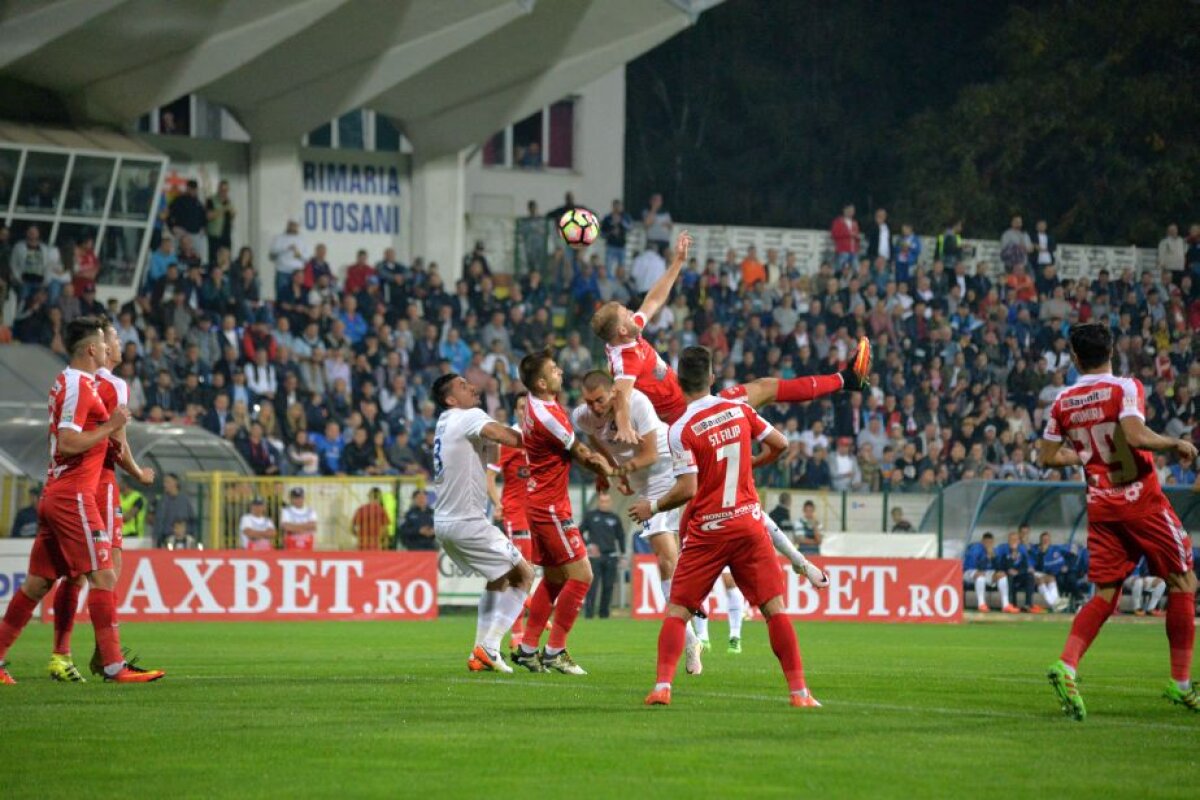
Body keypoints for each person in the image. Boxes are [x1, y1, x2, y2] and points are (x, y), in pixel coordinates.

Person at [632, 346, 821, 708]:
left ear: (677, 382)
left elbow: (687, 489)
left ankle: (662, 687)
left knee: (677, 611)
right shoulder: (739, 408)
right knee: (774, 609)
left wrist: (651, 506)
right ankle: (800, 693)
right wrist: (754, 465)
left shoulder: (680, 428)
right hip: (748, 525)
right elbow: (780, 444)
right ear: (713, 378)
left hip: (708, 530)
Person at [1040, 322, 1198, 719]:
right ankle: (1180, 685)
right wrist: (1174, 442)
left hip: (1101, 506)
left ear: (1075, 358)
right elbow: (1135, 434)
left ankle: (1067, 664)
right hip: (1140, 500)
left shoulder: (1062, 401)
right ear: (1111, 350)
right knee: (1184, 581)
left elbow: (1047, 456)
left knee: (1105, 595)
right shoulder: (1124, 387)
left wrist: (1084, 456)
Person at [0, 316, 163, 684]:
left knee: (39, 583)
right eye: (105, 344)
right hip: (73, 495)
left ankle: (35, 656)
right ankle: (112, 665)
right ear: (91, 349)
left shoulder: (69, 382)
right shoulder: (80, 386)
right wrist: (110, 427)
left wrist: (112, 440)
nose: (109, 348)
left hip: (56, 493)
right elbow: (69, 440)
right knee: (104, 575)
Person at [591, 230, 870, 442]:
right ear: (622, 330)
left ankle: (847, 379)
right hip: (690, 415)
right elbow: (621, 392)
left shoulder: (628, 335)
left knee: (765, 387)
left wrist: (677, 262)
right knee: (766, 389)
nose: (633, 312)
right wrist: (624, 425)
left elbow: (653, 300)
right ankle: (847, 380)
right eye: (628, 313)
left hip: (692, 400)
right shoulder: (624, 359)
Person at [511, 352, 612, 675]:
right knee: (582, 576)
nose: (561, 371)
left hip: (539, 501)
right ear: (541, 382)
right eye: (554, 370)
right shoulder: (548, 415)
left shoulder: (533, 403)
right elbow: (579, 451)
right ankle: (555, 651)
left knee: (555, 578)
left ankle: (527, 649)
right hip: (550, 506)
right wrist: (606, 469)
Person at [430, 373, 535, 674]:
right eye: (463, 386)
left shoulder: (444, 422)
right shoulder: (468, 416)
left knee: (499, 577)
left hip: (446, 522)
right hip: (468, 522)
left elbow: (490, 441)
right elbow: (502, 436)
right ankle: (490, 646)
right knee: (524, 575)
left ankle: (479, 654)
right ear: (451, 399)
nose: (472, 387)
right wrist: (540, 441)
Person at [79, 320, 157, 677]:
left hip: (76, 479)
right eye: (112, 336)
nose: (118, 341)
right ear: (101, 347)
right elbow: (118, 441)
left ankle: (67, 654)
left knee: (56, 575)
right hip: (102, 479)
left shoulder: (79, 381)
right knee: (110, 571)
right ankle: (108, 659)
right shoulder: (112, 384)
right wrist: (139, 473)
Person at [485, 394, 532, 646]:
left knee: (529, 571)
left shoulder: (539, 439)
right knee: (520, 572)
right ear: (516, 411)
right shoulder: (507, 441)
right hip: (516, 514)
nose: (526, 411)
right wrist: (498, 504)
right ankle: (518, 632)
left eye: (529, 407)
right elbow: (489, 478)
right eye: (522, 407)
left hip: (537, 515)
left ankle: (524, 617)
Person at [580, 493, 624, 619]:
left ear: (610, 503)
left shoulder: (615, 518)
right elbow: (579, 531)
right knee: (592, 586)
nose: (604, 504)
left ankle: (604, 614)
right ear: (599, 502)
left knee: (608, 586)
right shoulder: (590, 516)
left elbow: (621, 536)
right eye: (602, 501)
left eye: (607, 501)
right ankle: (589, 614)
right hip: (595, 557)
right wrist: (588, 545)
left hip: (611, 555)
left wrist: (623, 553)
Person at [962, 533, 1019, 613]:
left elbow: (998, 568)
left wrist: (993, 557)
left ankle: (1006, 605)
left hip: (986, 572)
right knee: (980, 575)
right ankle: (981, 604)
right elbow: (975, 567)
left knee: (1001, 575)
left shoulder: (994, 550)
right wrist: (986, 557)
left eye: (990, 542)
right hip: (969, 572)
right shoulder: (975, 549)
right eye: (986, 542)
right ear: (982, 541)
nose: (988, 544)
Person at [152, 473, 193, 547]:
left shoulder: (184, 500)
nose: (165, 485)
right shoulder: (161, 501)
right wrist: (156, 537)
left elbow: (191, 520)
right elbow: (158, 521)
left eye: (167, 482)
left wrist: (189, 534)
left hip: (182, 541)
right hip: (164, 540)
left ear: (176, 482)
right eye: (164, 482)